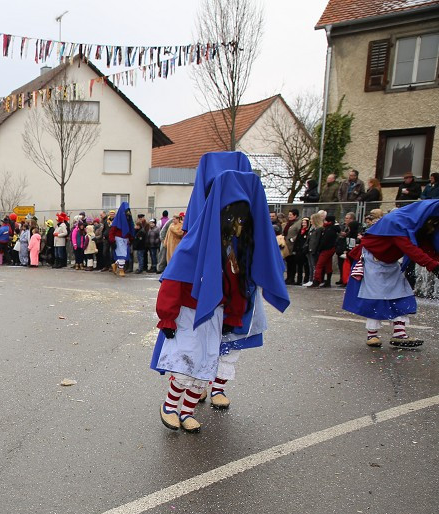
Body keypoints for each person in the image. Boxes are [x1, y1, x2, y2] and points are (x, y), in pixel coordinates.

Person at [152, 153, 290, 431]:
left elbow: (235, 288)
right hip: (189, 316)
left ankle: (187, 411)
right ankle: (169, 406)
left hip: (214, 317)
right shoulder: (195, 244)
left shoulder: (232, 252)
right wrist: (167, 317)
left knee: (204, 369)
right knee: (185, 366)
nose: (239, 225)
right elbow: (173, 283)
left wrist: (232, 316)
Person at [343, 200, 439, 348]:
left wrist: (435, 263)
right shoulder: (397, 222)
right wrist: (433, 266)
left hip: (389, 262)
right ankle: (372, 334)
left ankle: (399, 333)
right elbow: (410, 249)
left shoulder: (416, 225)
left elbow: (427, 246)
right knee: (375, 297)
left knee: (402, 293)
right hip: (372, 260)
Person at [305, 212, 339, 288]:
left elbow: (322, 241)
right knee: (328, 265)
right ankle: (327, 281)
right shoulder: (330, 229)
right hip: (329, 249)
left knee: (319, 265)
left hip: (326, 249)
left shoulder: (328, 229)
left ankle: (317, 281)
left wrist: (318, 249)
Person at [108, 203, 133, 276]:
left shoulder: (128, 219)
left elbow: (130, 229)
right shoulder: (117, 221)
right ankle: (121, 270)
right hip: (118, 239)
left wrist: (131, 238)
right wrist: (112, 240)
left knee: (125, 255)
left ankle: (115, 265)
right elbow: (112, 231)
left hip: (126, 239)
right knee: (121, 254)